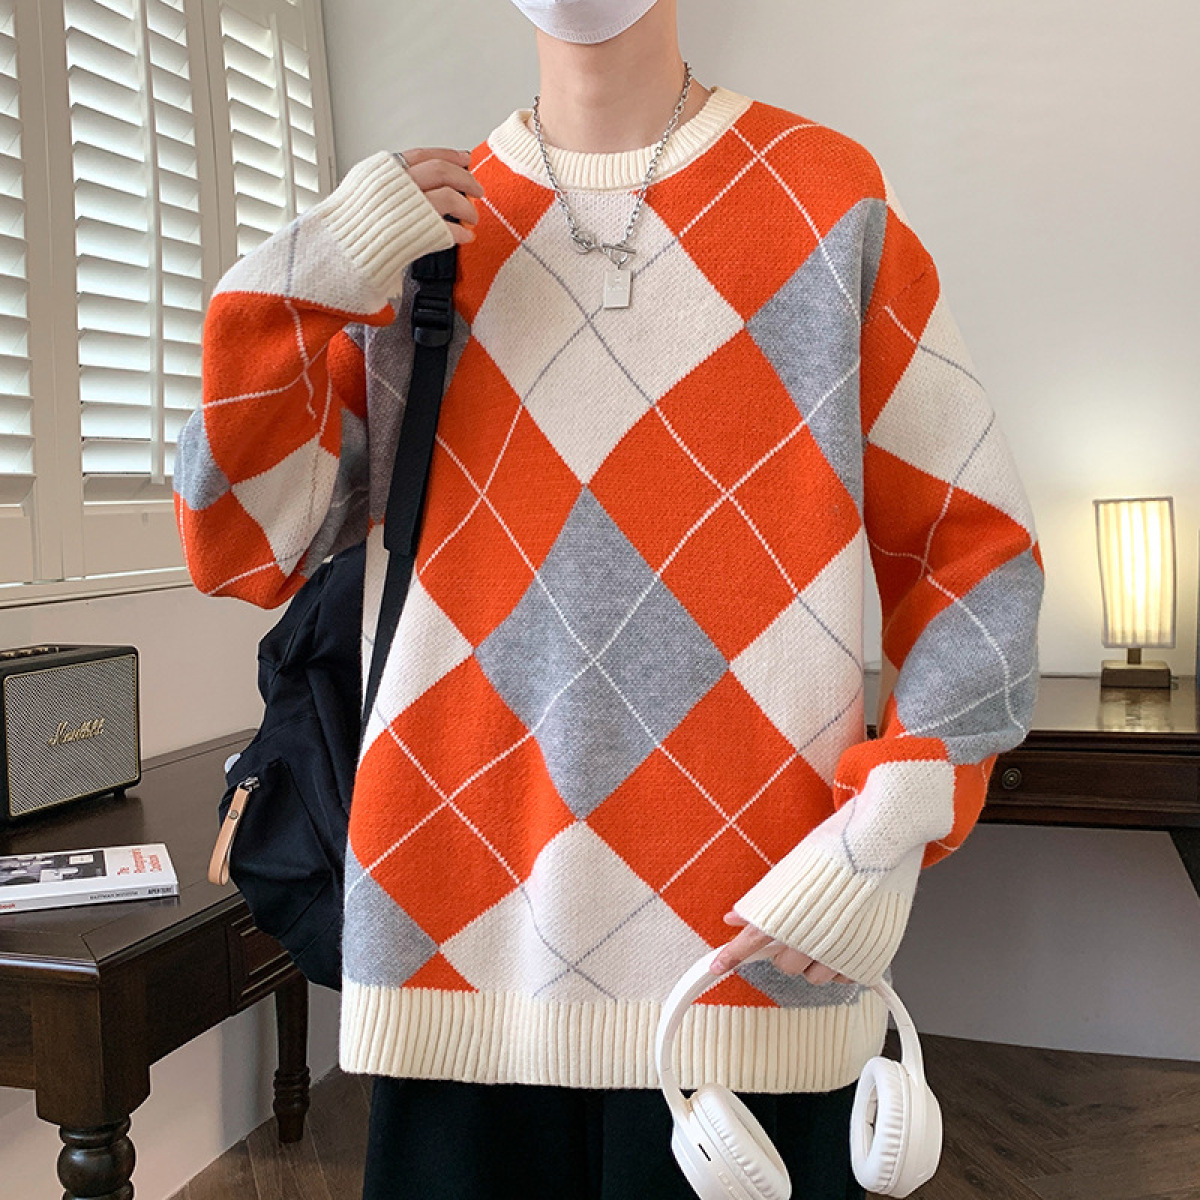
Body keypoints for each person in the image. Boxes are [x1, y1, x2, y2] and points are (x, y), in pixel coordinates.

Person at [172, 0, 1044, 1195]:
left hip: (753, 959)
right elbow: (238, 544)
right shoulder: (412, 236)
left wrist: (887, 829)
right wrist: (287, 288)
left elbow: (975, 555)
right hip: (453, 962)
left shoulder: (827, 201)